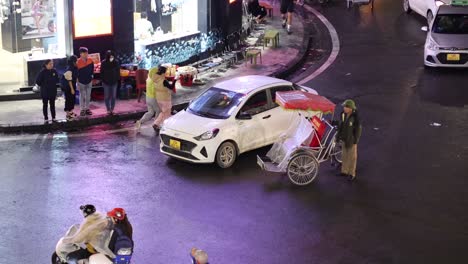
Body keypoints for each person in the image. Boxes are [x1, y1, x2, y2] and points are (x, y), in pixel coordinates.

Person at [336, 99, 362, 181]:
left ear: (350, 108)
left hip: (351, 140)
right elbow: (341, 125)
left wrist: (355, 140)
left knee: (352, 157)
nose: (344, 108)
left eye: (346, 107)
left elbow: (358, 129)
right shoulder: (344, 114)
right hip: (344, 138)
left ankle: (351, 173)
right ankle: (344, 171)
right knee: (344, 155)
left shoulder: (355, 118)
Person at [153, 65, 177, 132]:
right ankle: (165, 128)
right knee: (167, 113)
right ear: (164, 72)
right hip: (165, 99)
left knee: (163, 112)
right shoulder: (164, 81)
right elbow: (171, 87)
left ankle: (156, 123)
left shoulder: (155, 78)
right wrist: (175, 80)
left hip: (158, 98)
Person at [135, 66, 160, 132]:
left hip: (148, 98)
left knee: (150, 112)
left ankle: (140, 122)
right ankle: (155, 124)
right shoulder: (154, 81)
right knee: (158, 110)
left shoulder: (148, 79)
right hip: (153, 98)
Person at [100, 50, 120, 115]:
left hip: (114, 82)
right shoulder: (103, 62)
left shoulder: (116, 62)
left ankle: (112, 109)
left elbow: (118, 72)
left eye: (112, 56)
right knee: (107, 97)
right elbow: (101, 72)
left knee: (113, 97)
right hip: (106, 82)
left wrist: (117, 79)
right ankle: (108, 109)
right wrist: (103, 81)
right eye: (109, 56)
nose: (111, 57)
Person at [76, 47, 94, 117]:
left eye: (87, 53)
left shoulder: (90, 60)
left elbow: (92, 70)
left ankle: (87, 109)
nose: (86, 54)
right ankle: (82, 110)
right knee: (82, 96)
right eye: (84, 53)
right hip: (81, 82)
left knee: (88, 96)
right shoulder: (77, 62)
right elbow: (75, 73)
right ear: (81, 54)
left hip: (89, 81)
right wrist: (77, 82)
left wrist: (92, 76)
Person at [61, 55, 78, 121]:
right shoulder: (69, 68)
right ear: (73, 61)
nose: (77, 62)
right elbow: (69, 80)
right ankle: (68, 114)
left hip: (72, 85)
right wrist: (72, 89)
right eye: (76, 61)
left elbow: (75, 77)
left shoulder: (74, 67)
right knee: (69, 99)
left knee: (72, 99)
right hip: (68, 87)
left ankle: (71, 112)